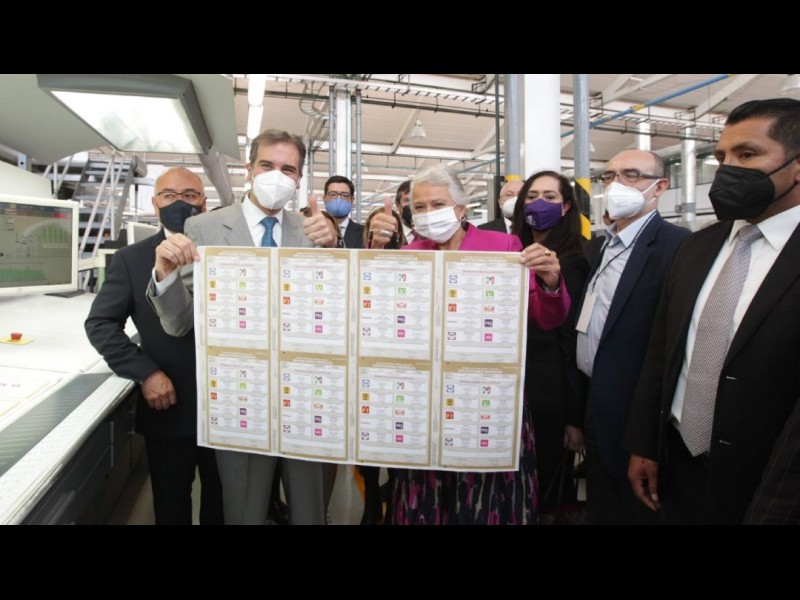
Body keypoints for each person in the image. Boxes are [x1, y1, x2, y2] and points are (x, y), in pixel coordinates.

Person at [146, 129, 339, 525]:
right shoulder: (204, 229)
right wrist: (165, 275)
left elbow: (336, 316)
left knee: (310, 509)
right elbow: (180, 324)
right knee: (243, 510)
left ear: (299, 178)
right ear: (249, 169)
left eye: (288, 169)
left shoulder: (312, 232)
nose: (277, 176)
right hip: (239, 400)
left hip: (307, 398)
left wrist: (336, 251)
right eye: (267, 165)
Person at [625, 98, 800, 525]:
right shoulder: (697, 246)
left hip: (768, 479)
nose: (726, 170)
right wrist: (645, 443)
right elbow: (662, 351)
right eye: (721, 157)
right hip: (680, 464)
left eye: (748, 154)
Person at [369, 164, 570, 525]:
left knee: (488, 501)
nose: (428, 213)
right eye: (420, 206)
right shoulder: (410, 254)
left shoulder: (504, 246)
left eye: (438, 204)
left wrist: (551, 281)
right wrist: (374, 256)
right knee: (426, 499)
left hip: (490, 400)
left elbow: (546, 317)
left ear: (460, 209)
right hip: (424, 402)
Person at [85, 167, 224, 525]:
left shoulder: (227, 254)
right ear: (155, 203)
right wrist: (146, 373)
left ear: (203, 203)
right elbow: (101, 324)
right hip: (169, 403)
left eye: (189, 195)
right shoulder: (131, 259)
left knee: (223, 505)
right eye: (169, 195)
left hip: (227, 406)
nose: (179, 203)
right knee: (171, 503)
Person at [574, 149, 690, 525]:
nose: (617, 184)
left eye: (631, 175)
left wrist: (647, 439)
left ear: (661, 187)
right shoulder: (599, 246)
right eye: (609, 176)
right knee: (602, 506)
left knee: (636, 510)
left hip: (636, 412)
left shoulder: (677, 247)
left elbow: (673, 347)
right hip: (595, 401)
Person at [509, 170, 589, 514]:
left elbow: (572, 343)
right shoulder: (511, 252)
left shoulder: (574, 260)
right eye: (532, 196)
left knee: (545, 490)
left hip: (550, 396)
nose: (538, 203)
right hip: (511, 391)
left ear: (566, 206)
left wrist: (574, 417)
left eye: (550, 197)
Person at [323, 175, 364, 248]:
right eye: (332, 194)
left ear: (352, 200)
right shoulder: (313, 230)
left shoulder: (364, 233)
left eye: (344, 195)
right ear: (324, 198)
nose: (338, 199)